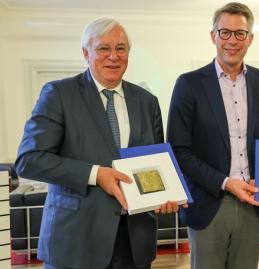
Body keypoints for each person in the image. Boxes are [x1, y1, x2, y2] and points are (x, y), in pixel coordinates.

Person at [15, 17, 179, 269]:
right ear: (86, 52)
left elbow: (154, 162)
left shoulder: (147, 101)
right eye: (103, 48)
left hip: (135, 243)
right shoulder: (59, 94)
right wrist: (95, 174)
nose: (113, 56)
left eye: (120, 48)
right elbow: (29, 160)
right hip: (76, 241)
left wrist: (164, 195)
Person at [167, 2, 259, 268]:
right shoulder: (189, 85)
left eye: (240, 34)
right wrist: (225, 181)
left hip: (254, 202)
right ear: (213, 36)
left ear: (250, 39)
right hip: (209, 204)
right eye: (225, 33)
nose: (232, 41)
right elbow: (178, 150)